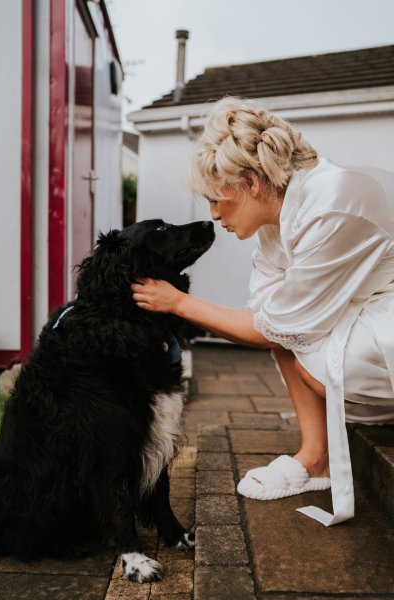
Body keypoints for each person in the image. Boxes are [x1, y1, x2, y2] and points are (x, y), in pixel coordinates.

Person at [131, 97, 394, 526]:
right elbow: (267, 313)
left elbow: (276, 327)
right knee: (294, 335)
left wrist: (178, 302)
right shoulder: (279, 218)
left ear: (252, 182)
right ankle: (316, 458)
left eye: (218, 200)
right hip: (364, 304)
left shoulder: (333, 202)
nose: (214, 216)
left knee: (312, 356)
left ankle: (324, 452)